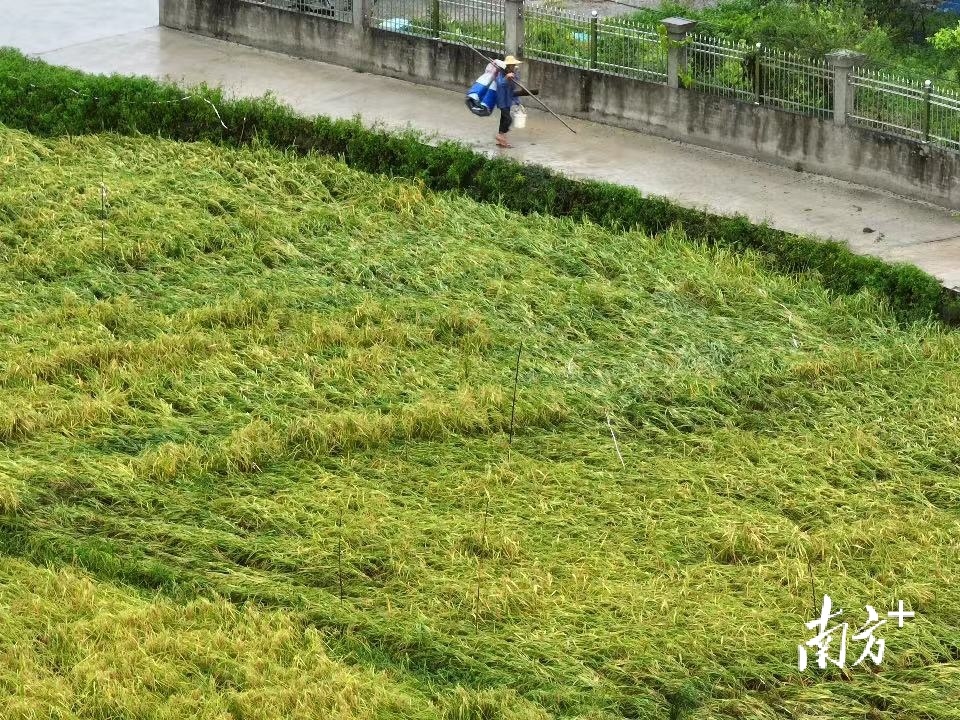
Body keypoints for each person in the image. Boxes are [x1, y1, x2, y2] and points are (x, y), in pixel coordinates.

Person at [494, 56, 537, 148]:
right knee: (508, 119)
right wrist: (506, 78)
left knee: (503, 119)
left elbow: (515, 84)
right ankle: (500, 136)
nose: (513, 66)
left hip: (509, 98)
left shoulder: (514, 72)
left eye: (514, 65)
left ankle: (502, 139)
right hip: (501, 99)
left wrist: (519, 88)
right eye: (512, 65)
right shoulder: (500, 72)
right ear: (507, 65)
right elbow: (500, 84)